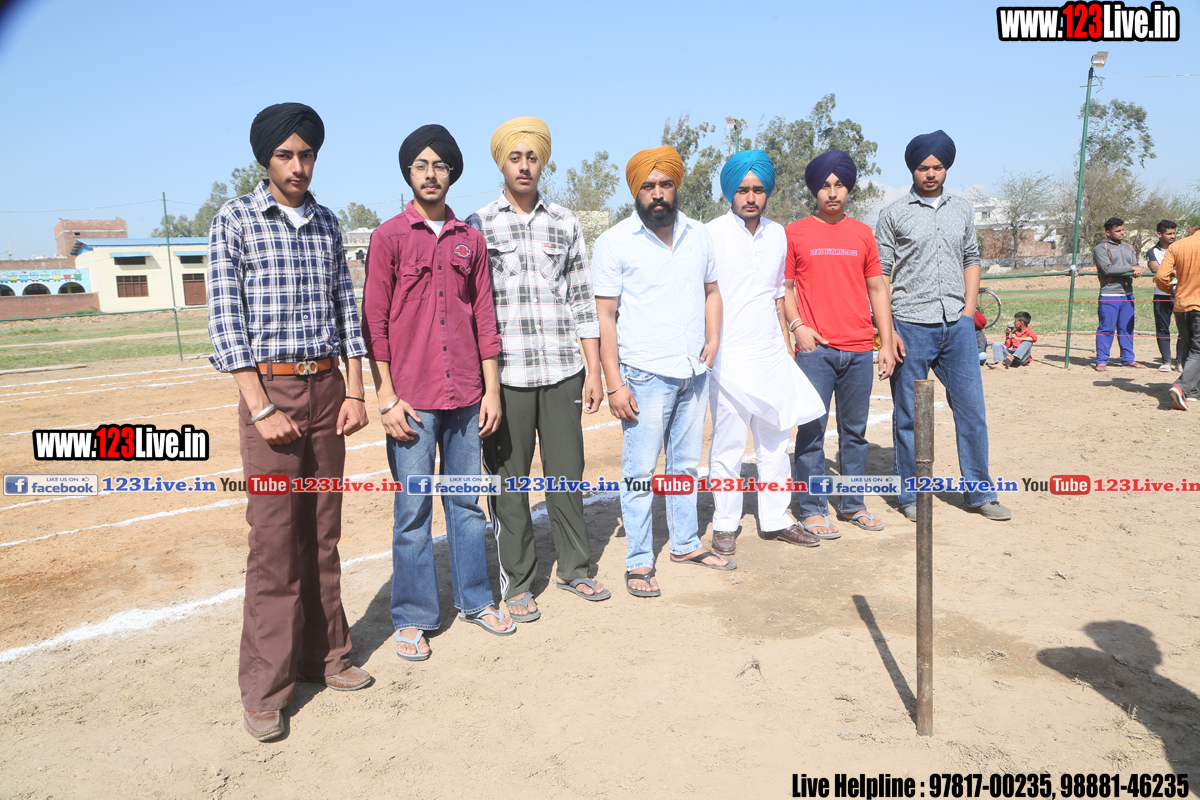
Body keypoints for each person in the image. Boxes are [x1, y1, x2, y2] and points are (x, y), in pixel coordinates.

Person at [207, 102, 373, 743]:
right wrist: (260, 406)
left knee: (323, 533)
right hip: (270, 390)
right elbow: (226, 320)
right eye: (286, 155)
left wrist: (354, 391)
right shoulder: (236, 220)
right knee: (275, 541)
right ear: (266, 159)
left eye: (306, 154)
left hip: (328, 388)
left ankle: (326, 657)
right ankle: (267, 689)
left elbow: (345, 308)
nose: (298, 166)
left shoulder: (328, 222)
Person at [362, 124, 515, 662]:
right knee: (413, 511)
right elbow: (374, 321)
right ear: (409, 173)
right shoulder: (388, 237)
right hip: (411, 402)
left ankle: (477, 600)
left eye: (440, 166)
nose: (431, 174)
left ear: (452, 174)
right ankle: (413, 617)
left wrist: (491, 391)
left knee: (467, 504)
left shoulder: (470, 238)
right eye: (421, 166)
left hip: (467, 395)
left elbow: (485, 316)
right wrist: (386, 395)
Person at [466, 117, 609, 620]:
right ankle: (519, 582)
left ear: (543, 162)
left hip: (563, 369)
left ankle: (575, 568)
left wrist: (593, 371)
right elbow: (472, 308)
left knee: (567, 474)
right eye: (515, 157)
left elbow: (582, 301)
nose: (524, 166)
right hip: (505, 378)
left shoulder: (566, 222)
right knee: (510, 483)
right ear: (501, 164)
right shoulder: (478, 224)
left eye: (532, 157)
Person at [592, 145, 733, 598]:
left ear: (676, 187)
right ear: (636, 191)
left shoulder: (699, 234)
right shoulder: (615, 242)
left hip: (694, 369)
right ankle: (638, 559)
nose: (658, 193)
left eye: (666, 184)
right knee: (639, 470)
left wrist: (713, 340)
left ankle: (685, 543)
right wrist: (614, 383)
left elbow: (712, 291)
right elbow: (605, 316)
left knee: (685, 465)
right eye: (648, 186)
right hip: (644, 374)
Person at [875, 130, 1010, 522]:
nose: (930, 173)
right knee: (908, 416)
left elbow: (971, 257)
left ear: (946, 167)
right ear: (912, 170)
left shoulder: (962, 209)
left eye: (937, 167)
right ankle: (911, 496)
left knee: (971, 410)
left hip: (957, 326)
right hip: (909, 325)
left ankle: (980, 494)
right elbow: (880, 274)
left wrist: (968, 311)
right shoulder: (892, 214)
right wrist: (888, 332)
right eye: (923, 167)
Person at [705, 151, 826, 555]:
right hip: (728, 357)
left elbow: (778, 293)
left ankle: (776, 518)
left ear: (767, 192)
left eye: (758, 190)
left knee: (775, 441)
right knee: (728, 444)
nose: (751, 197)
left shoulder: (778, 234)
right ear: (730, 192)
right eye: (743, 190)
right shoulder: (710, 234)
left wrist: (786, 340)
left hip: (770, 353)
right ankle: (725, 522)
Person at [784, 150, 898, 537]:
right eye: (824, 186)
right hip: (815, 351)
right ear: (814, 190)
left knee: (855, 434)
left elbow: (877, 289)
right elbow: (785, 288)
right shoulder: (795, 233)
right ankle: (812, 509)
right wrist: (798, 326)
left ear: (848, 189)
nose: (832, 193)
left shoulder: (863, 233)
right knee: (811, 433)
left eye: (839, 185)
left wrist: (885, 342)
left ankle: (853, 505)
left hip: (859, 349)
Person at [1153, 227, 1200, 410]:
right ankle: (1181, 387)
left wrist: (1171, 291)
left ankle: (1193, 392)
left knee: (1189, 348)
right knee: (1198, 350)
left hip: (1181, 305)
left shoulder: (1177, 245)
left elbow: (1160, 276)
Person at [1093, 216, 1146, 372]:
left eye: (1123, 230)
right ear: (1108, 232)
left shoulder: (1128, 247)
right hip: (1109, 294)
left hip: (1128, 294)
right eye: (1118, 230)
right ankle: (1102, 361)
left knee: (1127, 329)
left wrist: (1138, 269)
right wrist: (1132, 268)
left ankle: (1128, 359)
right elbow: (1107, 269)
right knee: (1106, 328)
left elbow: (1136, 265)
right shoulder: (1101, 248)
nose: (1122, 233)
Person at [1146, 220, 1180, 372]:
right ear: (1159, 234)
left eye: (1174, 233)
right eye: (1169, 233)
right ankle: (1166, 361)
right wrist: (1173, 271)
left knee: (1184, 329)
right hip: (1162, 294)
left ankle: (1180, 362)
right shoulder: (1152, 252)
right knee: (1162, 328)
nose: (1173, 236)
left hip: (1181, 294)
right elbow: (1155, 268)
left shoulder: (1180, 248)